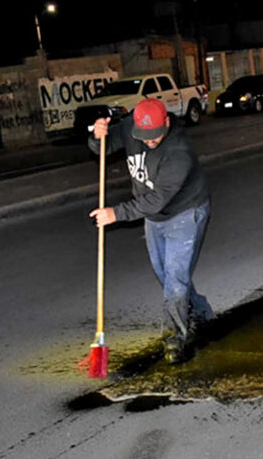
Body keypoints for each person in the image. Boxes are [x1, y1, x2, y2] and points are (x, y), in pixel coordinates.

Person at [88, 98, 212, 364]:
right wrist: (97, 136)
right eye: (144, 138)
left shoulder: (179, 151)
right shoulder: (132, 127)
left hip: (185, 213)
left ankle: (173, 340)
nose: (149, 142)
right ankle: (201, 314)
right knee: (166, 276)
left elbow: (158, 198)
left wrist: (116, 214)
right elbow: (103, 147)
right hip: (154, 218)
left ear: (166, 122)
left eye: (154, 137)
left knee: (175, 278)